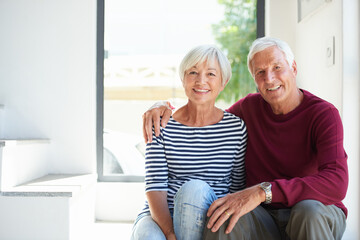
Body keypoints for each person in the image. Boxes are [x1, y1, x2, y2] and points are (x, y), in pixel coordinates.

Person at [142, 37, 348, 240]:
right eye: (260, 72)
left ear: (293, 68)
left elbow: (337, 182)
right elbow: (204, 113)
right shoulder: (249, 108)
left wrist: (262, 192)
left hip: (313, 211)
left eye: (277, 67)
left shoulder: (323, 114)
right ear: (255, 79)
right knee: (226, 216)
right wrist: (161, 107)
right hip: (265, 215)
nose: (269, 78)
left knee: (308, 211)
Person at [131, 45, 248, 240]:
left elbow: (236, 189)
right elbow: (155, 187)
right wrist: (169, 233)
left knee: (193, 190)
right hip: (160, 217)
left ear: (223, 82)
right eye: (193, 72)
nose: (201, 81)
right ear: (183, 79)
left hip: (210, 219)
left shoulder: (236, 129)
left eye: (211, 74)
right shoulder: (161, 125)